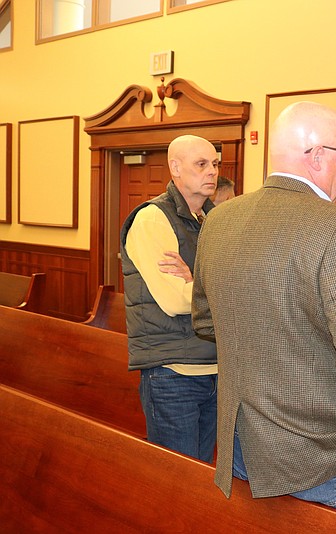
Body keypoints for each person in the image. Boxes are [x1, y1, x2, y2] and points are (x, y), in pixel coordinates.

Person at [192, 101, 336, 518]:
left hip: (240, 446)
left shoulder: (219, 221)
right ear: (317, 156)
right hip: (318, 454)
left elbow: (205, 321)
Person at [120, 134, 219, 463]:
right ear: (175, 168)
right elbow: (176, 301)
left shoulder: (211, 219)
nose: (212, 172)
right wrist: (205, 284)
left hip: (215, 368)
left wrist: (194, 278)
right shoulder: (152, 219)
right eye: (201, 164)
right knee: (178, 481)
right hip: (172, 373)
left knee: (204, 478)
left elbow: (240, 286)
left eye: (215, 164)